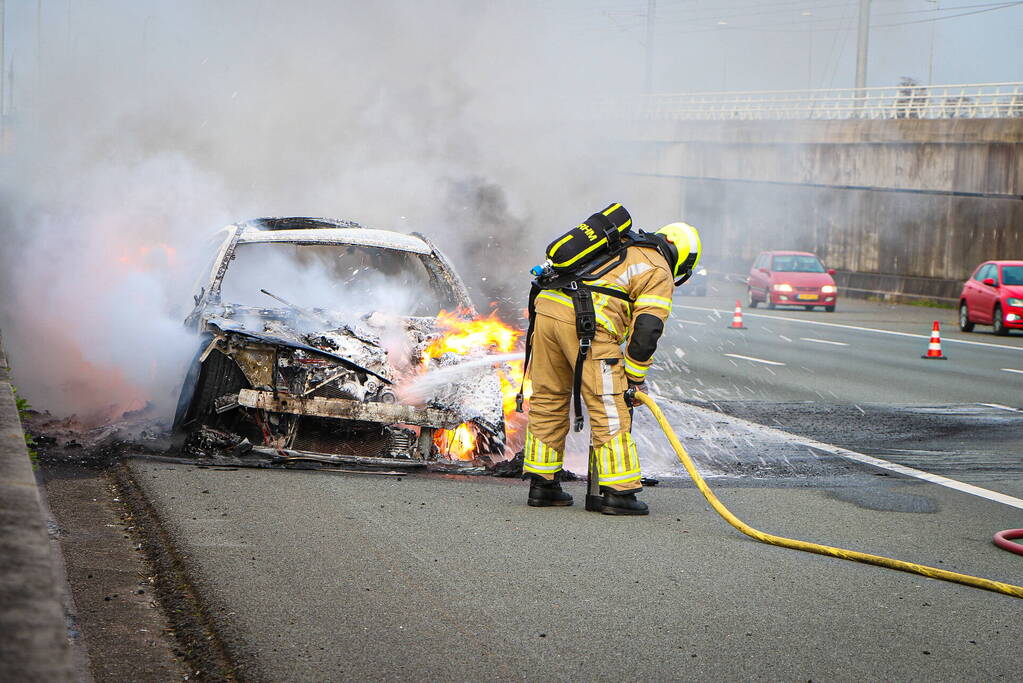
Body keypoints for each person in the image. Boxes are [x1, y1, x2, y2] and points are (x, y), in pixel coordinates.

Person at [522, 220, 702, 515]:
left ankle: (543, 486)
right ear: (683, 259)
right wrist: (634, 376)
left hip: (547, 310)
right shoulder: (658, 269)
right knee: (609, 406)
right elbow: (647, 330)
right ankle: (618, 493)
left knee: (549, 398)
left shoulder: (623, 247)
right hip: (586, 325)